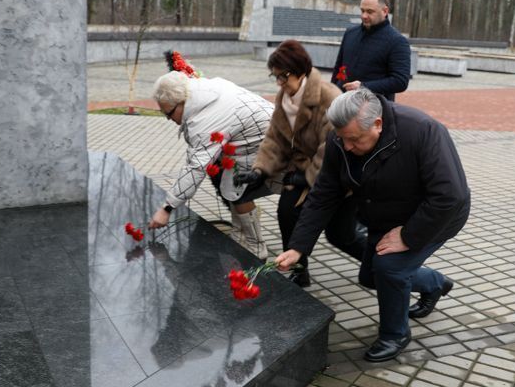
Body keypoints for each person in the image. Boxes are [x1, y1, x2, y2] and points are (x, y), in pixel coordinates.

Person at [275, 87, 470, 363]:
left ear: (377, 124)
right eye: (342, 139)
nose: (347, 147)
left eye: (354, 139)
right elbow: (324, 194)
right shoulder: (341, 138)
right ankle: (435, 283)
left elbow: (450, 195)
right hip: (386, 214)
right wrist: (298, 247)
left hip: (435, 215)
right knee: (370, 277)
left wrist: (408, 235)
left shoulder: (422, 131)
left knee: (390, 268)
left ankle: (395, 334)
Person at [233, 40, 367, 288]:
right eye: (275, 76)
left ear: (300, 71)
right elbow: (275, 137)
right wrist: (260, 170)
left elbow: (332, 147)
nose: (279, 83)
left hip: (336, 175)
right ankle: (298, 269)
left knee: (341, 235)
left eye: (283, 76)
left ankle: (380, 265)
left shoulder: (329, 97)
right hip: (302, 170)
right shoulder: (284, 97)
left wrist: (307, 177)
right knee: (287, 212)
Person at [148, 70, 274, 257]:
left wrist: (167, 208)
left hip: (272, 142)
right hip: (259, 136)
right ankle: (240, 237)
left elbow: (196, 168)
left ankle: (256, 248)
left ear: (180, 102)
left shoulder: (205, 119)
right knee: (230, 183)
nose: (170, 120)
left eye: (169, 114)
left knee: (237, 186)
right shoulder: (200, 90)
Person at [331, 0, 412, 101]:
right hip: (343, 103)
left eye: (370, 12)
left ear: (385, 11)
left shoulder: (397, 41)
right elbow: (339, 68)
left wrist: (363, 86)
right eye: (362, 10)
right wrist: (332, 92)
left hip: (375, 107)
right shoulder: (350, 34)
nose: (364, 16)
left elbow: (400, 81)